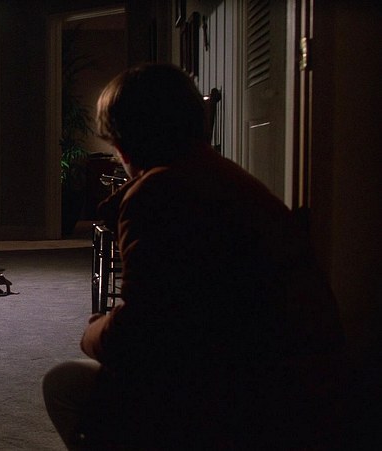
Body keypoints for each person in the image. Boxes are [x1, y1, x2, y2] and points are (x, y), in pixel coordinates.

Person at [42, 63, 342, 449]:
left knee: (65, 383)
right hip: (305, 385)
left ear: (123, 143)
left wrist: (93, 331)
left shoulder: (158, 192)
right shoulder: (225, 177)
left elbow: (137, 334)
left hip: (252, 399)